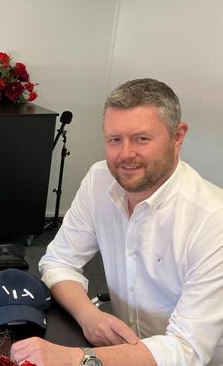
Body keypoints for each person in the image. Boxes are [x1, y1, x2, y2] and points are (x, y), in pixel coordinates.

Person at [11, 78, 223, 366]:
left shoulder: (213, 220)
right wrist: (90, 316)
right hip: (124, 353)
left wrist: (78, 358)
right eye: (115, 140)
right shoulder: (100, 181)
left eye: (141, 139)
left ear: (177, 136)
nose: (125, 155)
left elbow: (187, 349)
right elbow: (58, 261)